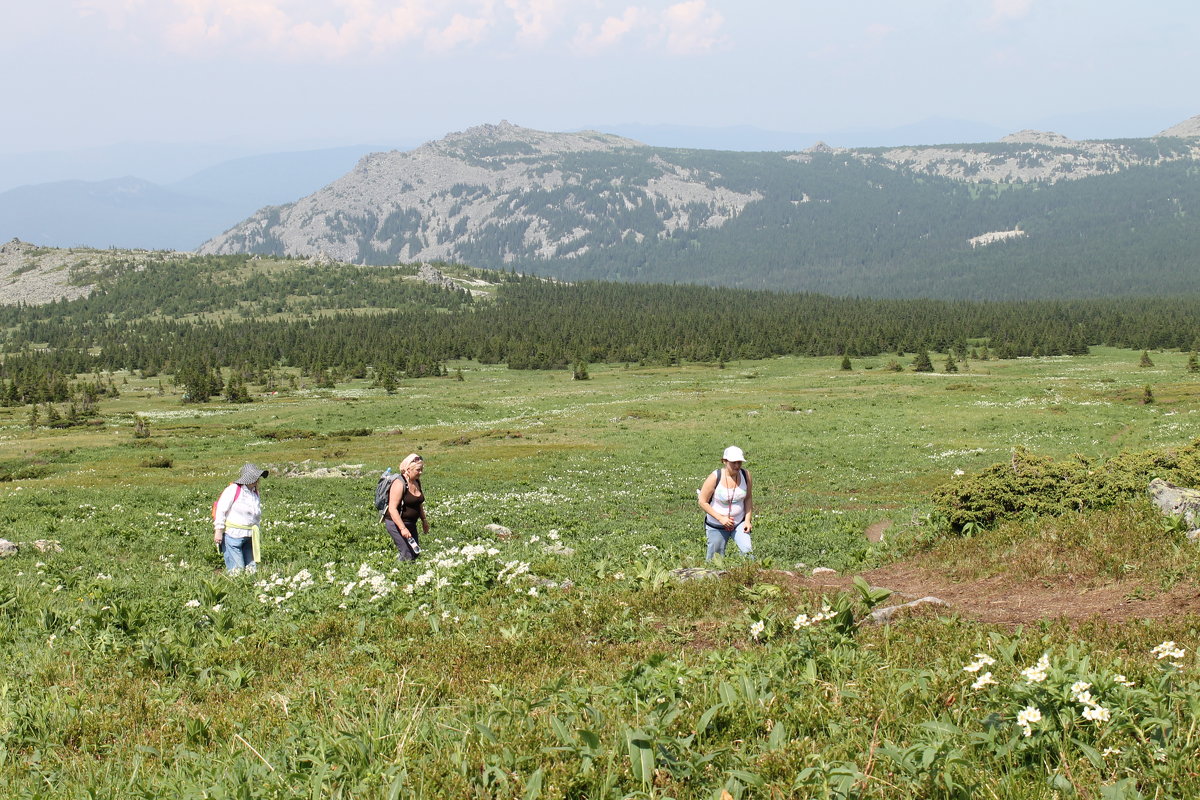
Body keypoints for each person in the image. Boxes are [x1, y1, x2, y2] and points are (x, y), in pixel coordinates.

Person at [697, 446, 753, 560]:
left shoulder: (746, 475)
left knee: (747, 552)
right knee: (715, 559)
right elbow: (702, 502)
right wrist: (721, 518)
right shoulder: (715, 477)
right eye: (733, 463)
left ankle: (747, 575)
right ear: (724, 461)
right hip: (716, 525)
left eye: (739, 462)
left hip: (739, 523)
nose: (737, 466)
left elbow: (748, 498)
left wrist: (747, 520)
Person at [213, 463, 268, 574]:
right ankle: (237, 588)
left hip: (249, 536)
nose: (257, 480)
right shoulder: (233, 489)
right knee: (237, 569)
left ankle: (250, 588)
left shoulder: (255, 492)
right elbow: (221, 510)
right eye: (255, 477)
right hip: (234, 535)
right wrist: (218, 531)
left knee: (251, 569)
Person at [385, 453, 429, 560]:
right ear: (408, 469)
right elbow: (392, 509)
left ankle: (409, 574)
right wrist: (403, 528)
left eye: (421, 469)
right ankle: (396, 574)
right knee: (407, 555)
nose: (420, 472)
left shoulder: (416, 482)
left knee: (415, 553)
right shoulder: (399, 483)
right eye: (418, 470)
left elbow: (419, 503)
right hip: (396, 524)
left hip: (411, 523)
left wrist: (424, 520)